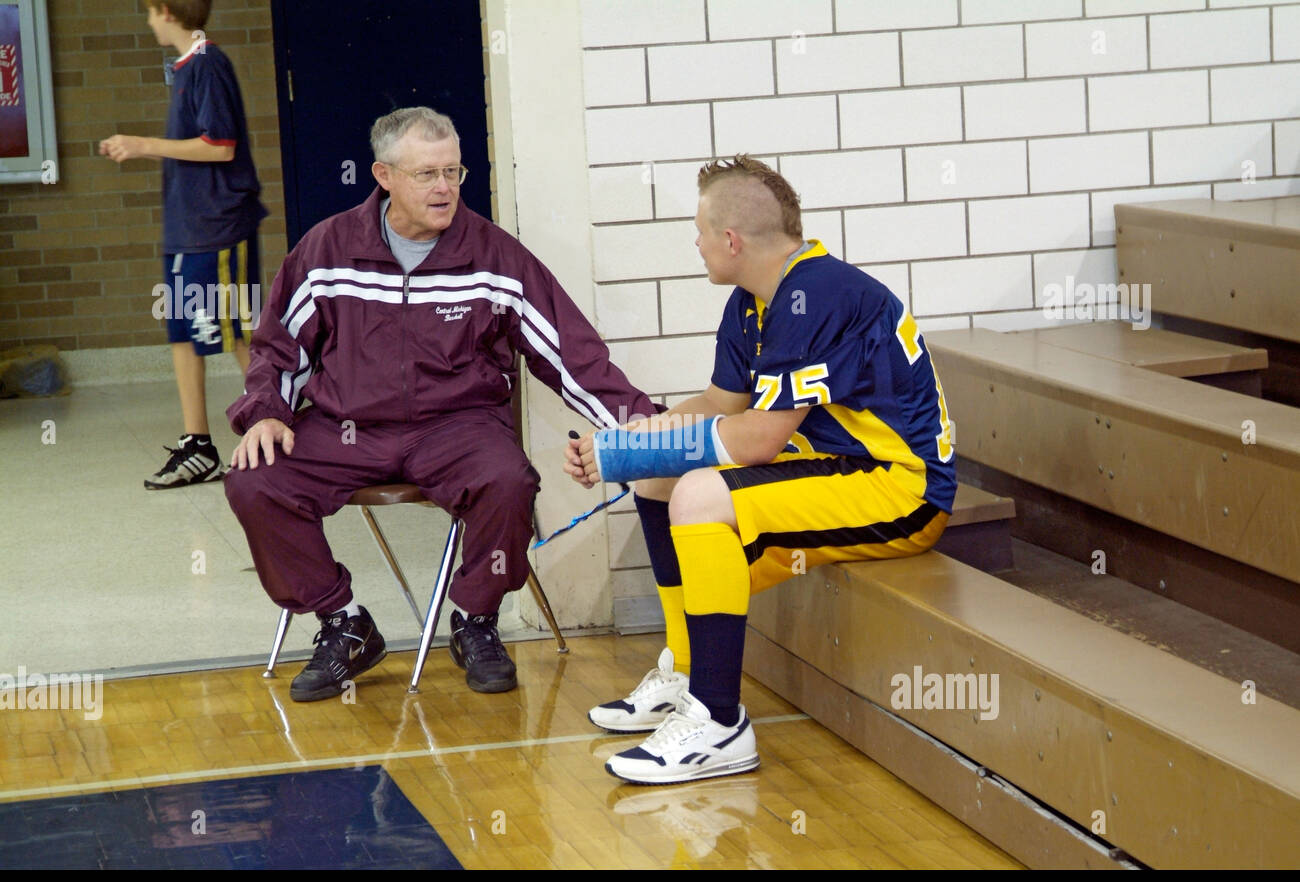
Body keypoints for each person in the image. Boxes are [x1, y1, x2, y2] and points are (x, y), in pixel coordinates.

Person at [224, 106, 657, 702]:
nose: (444, 188)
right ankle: (343, 622)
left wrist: (645, 429)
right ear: (384, 176)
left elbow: (572, 356)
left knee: (509, 481)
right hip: (347, 427)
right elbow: (277, 348)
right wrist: (266, 411)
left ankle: (474, 620)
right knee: (254, 480)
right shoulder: (327, 248)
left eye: (454, 172)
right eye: (427, 174)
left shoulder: (495, 257)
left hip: (458, 427)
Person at [567, 156, 956, 785]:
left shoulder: (816, 296)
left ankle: (719, 724)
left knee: (697, 494)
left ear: (731, 240)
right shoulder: (756, 298)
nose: (693, 243)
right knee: (657, 480)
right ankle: (686, 673)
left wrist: (622, 454)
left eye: (698, 230)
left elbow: (756, 441)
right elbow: (722, 407)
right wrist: (628, 441)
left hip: (900, 489)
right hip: (834, 467)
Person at [99, 0, 266, 489]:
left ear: (166, 11)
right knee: (182, 333)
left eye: (150, 12)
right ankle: (199, 446)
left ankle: (275, 424)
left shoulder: (209, 64)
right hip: (186, 229)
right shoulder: (187, 66)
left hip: (218, 228)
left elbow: (221, 144)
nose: (148, 22)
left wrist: (143, 144)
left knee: (237, 331)